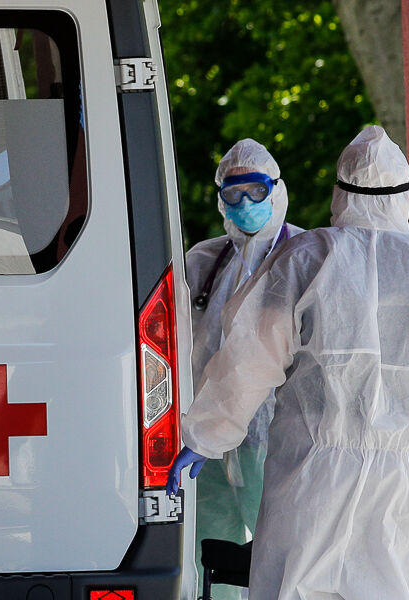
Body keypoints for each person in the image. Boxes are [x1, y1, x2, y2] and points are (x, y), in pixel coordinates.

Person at [168, 126, 409, 600]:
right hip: (407, 484)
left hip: (311, 475)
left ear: (339, 193)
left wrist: (207, 433)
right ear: (405, 196)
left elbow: (250, 356)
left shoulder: (304, 258)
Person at [185, 138, 303, 600]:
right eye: (233, 193)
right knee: (209, 554)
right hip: (206, 437)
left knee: (282, 554)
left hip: (277, 434)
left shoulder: (307, 255)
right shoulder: (204, 262)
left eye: (256, 190)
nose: (246, 203)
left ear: (276, 190)